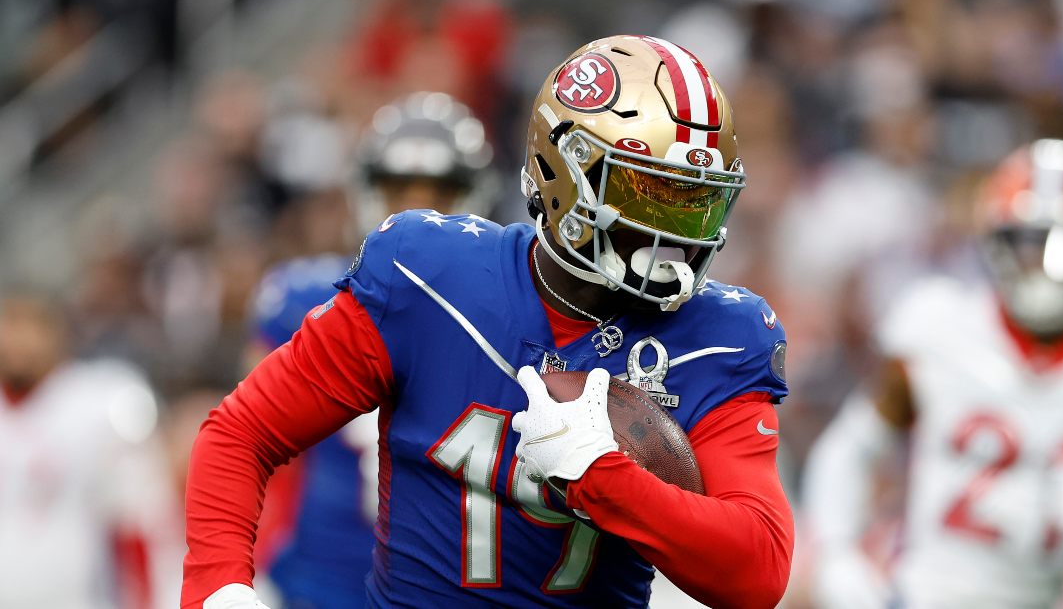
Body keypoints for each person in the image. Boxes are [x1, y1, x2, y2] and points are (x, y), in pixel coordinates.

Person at [183, 36, 793, 608]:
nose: (675, 238)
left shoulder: (718, 337)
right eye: (647, 194)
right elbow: (242, 434)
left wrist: (602, 478)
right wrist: (219, 587)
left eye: (695, 203)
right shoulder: (430, 277)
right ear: (565, 176)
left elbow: (758, 570)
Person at [805, 139, 1063, 609]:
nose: (1053, 266)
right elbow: (852, 449)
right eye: (1033, 243)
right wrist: (835, 552)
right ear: (997, 243)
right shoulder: (936, 327)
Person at [252, 91, 497, 609]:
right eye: (398, 190)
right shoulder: (302, 297)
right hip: (317, 579)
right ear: (368, 192)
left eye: (438, 192)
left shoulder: (506, 312)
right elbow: (250, 443)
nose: (416, 211)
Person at [0, 291, 181, 609]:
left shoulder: (101, 401)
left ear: (58, 332)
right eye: (9, 324)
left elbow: (141, 519)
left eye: (29, 324)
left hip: (79, 598)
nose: (15, 339)